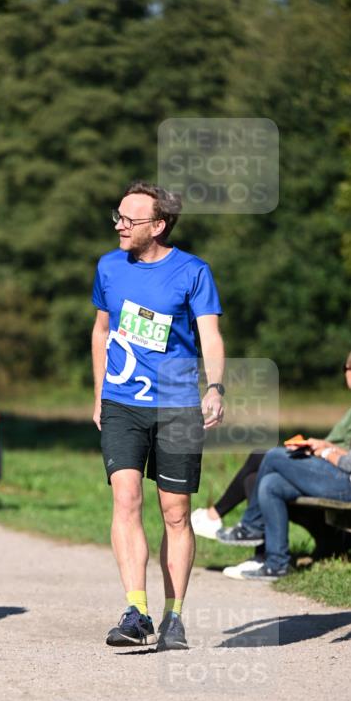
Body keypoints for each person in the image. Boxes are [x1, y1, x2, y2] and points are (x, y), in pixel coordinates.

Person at [91, 180, 225, 651]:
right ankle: (135, 611)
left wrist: (215, 387)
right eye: (118, 216)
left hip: (177, 404)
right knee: (125, 498)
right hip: (123, 402)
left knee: (175, 512)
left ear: (159, 225)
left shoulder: (193, 271)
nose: (120, 225)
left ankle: (173, 617)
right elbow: (102, 328)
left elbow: (209, 335)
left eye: (130, 219)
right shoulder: (109, 266)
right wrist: (98, 394)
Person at [215, 354, 351, 579]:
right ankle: (277, 563)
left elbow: (349, 463)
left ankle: (251, 526)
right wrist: (323, 446)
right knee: (271, 484)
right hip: (344, 479)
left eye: (345, 368)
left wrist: (324, 452)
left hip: (346, 484)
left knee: (273, 455)